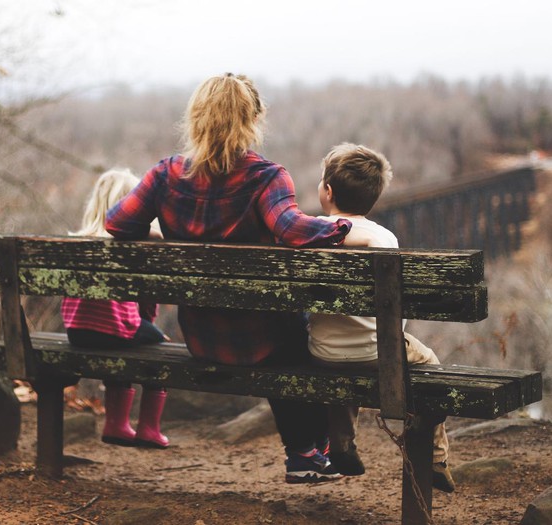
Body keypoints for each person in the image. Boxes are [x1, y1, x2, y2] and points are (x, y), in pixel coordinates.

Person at [105, 73, 357, 483]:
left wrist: (156, 233)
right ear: (252, 119)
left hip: (202, 339)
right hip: (264, 342)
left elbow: (116, 223)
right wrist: (343, 228)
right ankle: (307, 452)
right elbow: (292, 229)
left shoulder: (165, 175)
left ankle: (309, 453)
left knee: (287, 332)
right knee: (298, 334)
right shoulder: (266, 177)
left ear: (196, 118)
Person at [307, 142, 456, 492]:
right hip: (379, 353)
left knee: (343, 355)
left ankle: (341, 444)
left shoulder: (310, 233)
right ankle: (435, 457)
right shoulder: (384, 238)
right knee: (429, 363)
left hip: (322, 353)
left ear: (327, 191)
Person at [61, 168, 171, 449]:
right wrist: (150, 327)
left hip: (77, 332)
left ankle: (116, 424)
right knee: (159, 347)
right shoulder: (131, 245)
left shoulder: (78, 242)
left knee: (121, 339)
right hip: (115, 330)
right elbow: (146, 300)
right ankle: (148, 429)